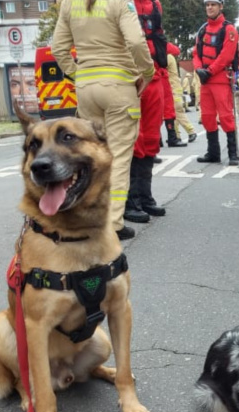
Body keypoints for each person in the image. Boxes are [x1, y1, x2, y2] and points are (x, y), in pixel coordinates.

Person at [52, 0, 154, 241]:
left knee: (93, 157)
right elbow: (137, 42)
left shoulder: (69, 4)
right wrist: (147, 72)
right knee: (117, 157)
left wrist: (79, 74)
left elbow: (58, 48)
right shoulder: (120, 2)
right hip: (118, 86)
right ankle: (113, 225)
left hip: (86, 89)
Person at [126, 0, 170, 224]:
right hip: (131, 77)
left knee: (152, 137)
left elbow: (158, 35)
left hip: (155, 75)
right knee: (135, 139)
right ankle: (130, 201)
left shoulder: (155, 5)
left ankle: (145, 197)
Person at [194, 0, 239, 166]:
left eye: (213, 4)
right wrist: (199, 69)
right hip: (205, 80)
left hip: (220, 79)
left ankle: (233, 153)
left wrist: (209, 71)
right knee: (207, 117)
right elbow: (196, 53)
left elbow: (227, 55)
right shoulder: (202, 29)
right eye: (207, 5)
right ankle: (213, 153)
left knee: (226, 116)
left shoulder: (229, 29)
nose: (209, 7)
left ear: (221, 7)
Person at [168, 53, 198, 143]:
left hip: (173, 90)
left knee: (178, 112)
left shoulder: (167, 57)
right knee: (173, 114)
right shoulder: (169, 56)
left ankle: (191, 131)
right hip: (173, 90)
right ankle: (176, 135)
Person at [162, 43, 186, 147]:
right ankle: (172, 138)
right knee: (169, 111)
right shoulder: (166, 53)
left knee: (155, 112)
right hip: (164, 81)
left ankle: (157, 140)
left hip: (160, 80)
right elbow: (176, 50)